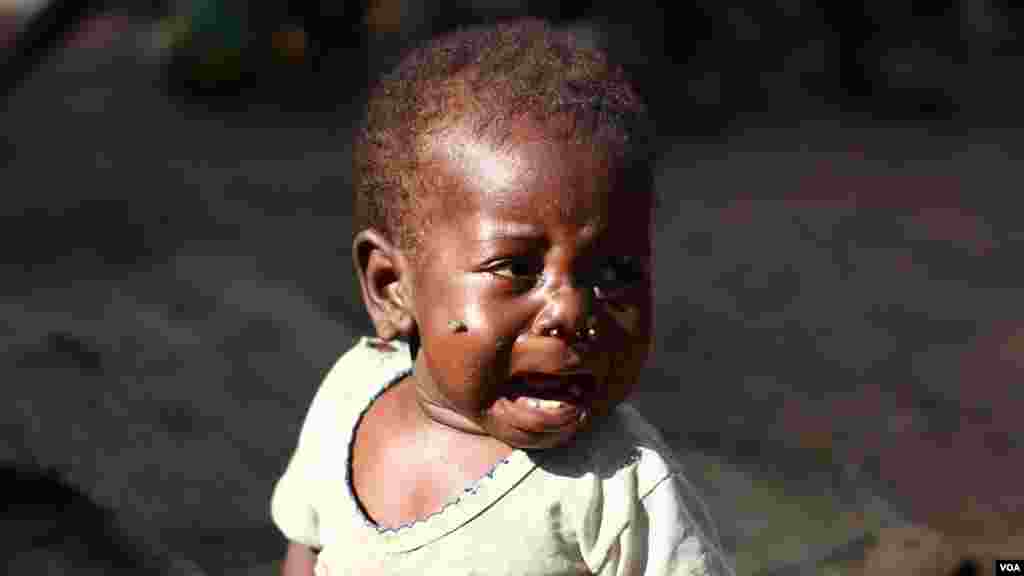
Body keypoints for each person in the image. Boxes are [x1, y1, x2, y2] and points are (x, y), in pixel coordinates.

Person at [271, 18, 734, 576]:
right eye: (516, 268)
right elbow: (307, 547)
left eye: (613, 271)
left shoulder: (620, 490)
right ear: (392, 288)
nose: (570, 310)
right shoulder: (348, 401)